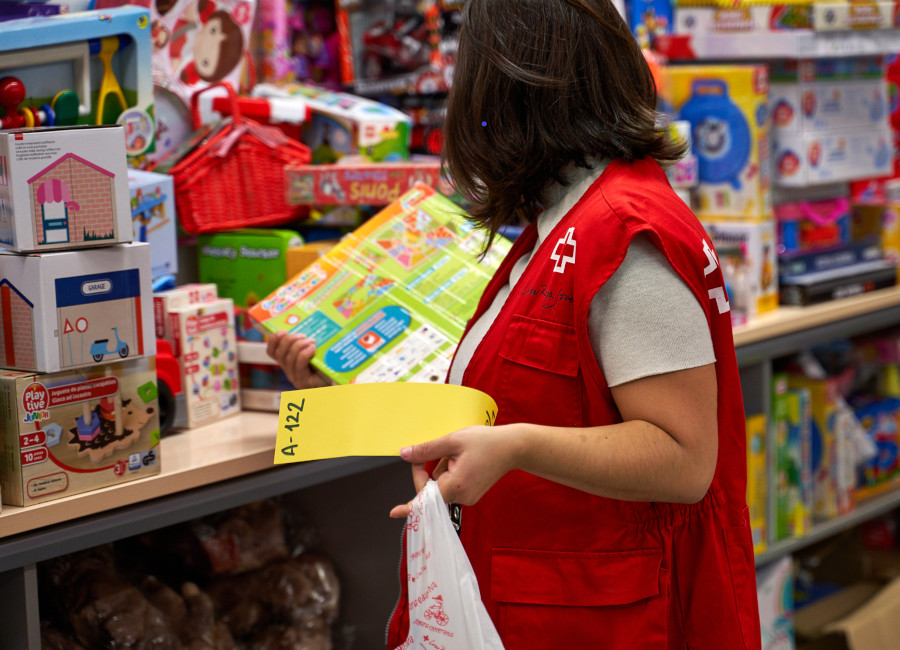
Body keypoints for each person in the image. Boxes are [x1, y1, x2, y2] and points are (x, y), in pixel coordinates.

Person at [270, 0, 761, 646]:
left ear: (505, 89)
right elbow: (529, 397)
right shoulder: (561, 222)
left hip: (605, 615)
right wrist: (344, 385)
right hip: (540, 600)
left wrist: (518, 447)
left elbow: (683, 458)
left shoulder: (623, 230)